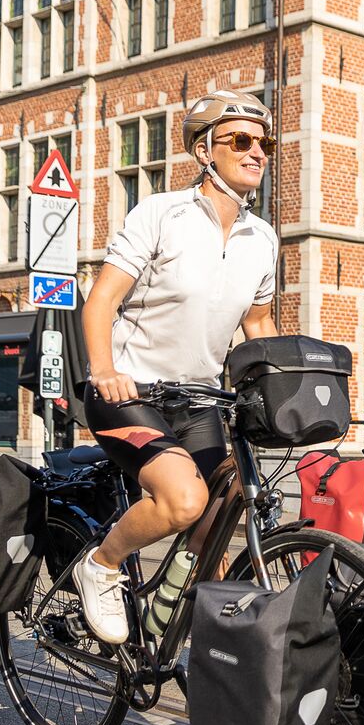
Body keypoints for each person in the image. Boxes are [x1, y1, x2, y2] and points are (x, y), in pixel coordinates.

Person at [71, 92, 282, 645]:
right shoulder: (161, 214)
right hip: (130, 393)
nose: (257, 151)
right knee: (184, 499)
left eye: (264, 143)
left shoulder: (263, 239)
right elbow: (100, 305)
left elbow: (258, 330)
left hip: (199, 399)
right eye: (241, 140)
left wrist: (282, 394)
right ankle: (101, 564)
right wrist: (104, 370)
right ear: (205, 150)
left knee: (233, 496)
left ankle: (171, 609)